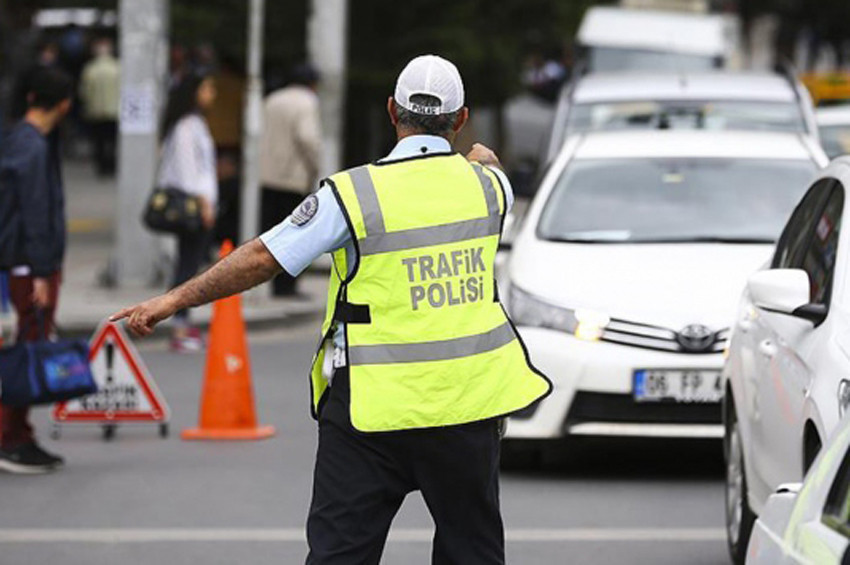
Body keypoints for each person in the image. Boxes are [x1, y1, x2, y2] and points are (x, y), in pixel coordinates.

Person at [112, 55, 552, 564]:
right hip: (466, 409)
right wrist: (483, 159)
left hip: (370, 412)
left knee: (340, 556)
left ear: (392, 111)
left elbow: (263, 257)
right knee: (472, 552)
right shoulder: (490, 188)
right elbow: (492, 171)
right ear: (461, 118)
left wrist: (173, 299)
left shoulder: (354, 194)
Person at [0, 67, 73, 474]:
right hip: (30, 268)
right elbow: (36, 215)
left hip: (21, 263)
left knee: (22, 347)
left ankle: (19, 432)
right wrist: (44, 273)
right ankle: (11, 437)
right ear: (64, 104)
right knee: (26, 350)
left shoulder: (17, 139)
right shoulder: (34, 148)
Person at [156, 73, 218, 353]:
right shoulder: (186, 126)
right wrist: (204, 203)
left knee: (190, 263)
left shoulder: (194, 123)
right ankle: (179, 325)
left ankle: (182, 321)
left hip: (199, 203)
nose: (212, 93)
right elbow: (187, 171)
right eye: (207, 87)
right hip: (193, 206)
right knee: (187, 266)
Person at [258, 63, 321, 296]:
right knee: (296, 234)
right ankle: (287, 286)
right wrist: (315, 166)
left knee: (272, 232)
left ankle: (273, 283)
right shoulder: (307, 102)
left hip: (267, 175)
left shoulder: (272, 99)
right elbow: (307, 137)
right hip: (293, 177)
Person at [79, 37, 120, 176]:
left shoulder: (90, 69)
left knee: (99, 141)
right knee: (113, 140)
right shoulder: (118, 68)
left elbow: (85, 91)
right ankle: (112, 165)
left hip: (96, 110)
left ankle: (102, 166)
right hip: (115, 110)